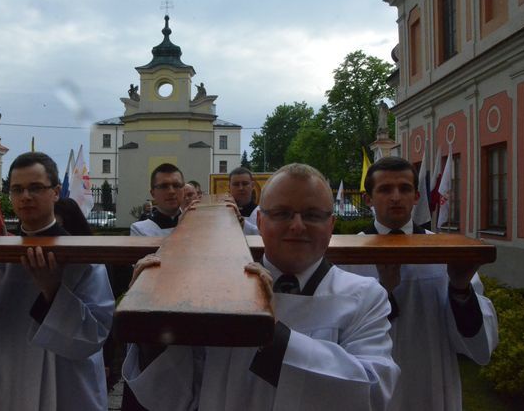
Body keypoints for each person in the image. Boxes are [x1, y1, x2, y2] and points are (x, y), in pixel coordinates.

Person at [123, 163, 399, 410]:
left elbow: (372, 394)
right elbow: (176, 397)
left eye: (313, 215)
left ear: (331, 224)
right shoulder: (218, 290)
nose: (297, 226)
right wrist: (151, 323)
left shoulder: (364, 295)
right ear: (261, 221)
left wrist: (272, 332)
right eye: (282, 213)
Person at [0, 151, 115, 410]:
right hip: (3, 377)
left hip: (65, 383)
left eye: (35, 188)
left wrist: (52, 290)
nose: (25, 197)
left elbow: (94, 336)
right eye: (17, 189)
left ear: (56, 192)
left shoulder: (82, 258)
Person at [341, 156, 498, 411]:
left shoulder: (447, 252)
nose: (395, 197)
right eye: (385, 189)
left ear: (416, 196)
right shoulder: (348, 257)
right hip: (371, 385)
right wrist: (384, 294)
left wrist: (460, 288)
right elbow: (340, 331)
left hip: (431, 381)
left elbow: (475, 341)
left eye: (404, 189)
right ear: (368, 198)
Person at [130, 163, 185, 237]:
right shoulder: (140, 229)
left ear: (183, 190)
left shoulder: (194, 223)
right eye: (164, 186)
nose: (171, 191)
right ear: (153, 193)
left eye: (176, 185)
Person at [229, 166, 260, 234]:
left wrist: (242, 222)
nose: (241, 188)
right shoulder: (222, 213)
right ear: (229, 187)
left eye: (245, 184)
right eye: (236, 184)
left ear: (252, 185)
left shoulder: (262, 212)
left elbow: (264, 235)